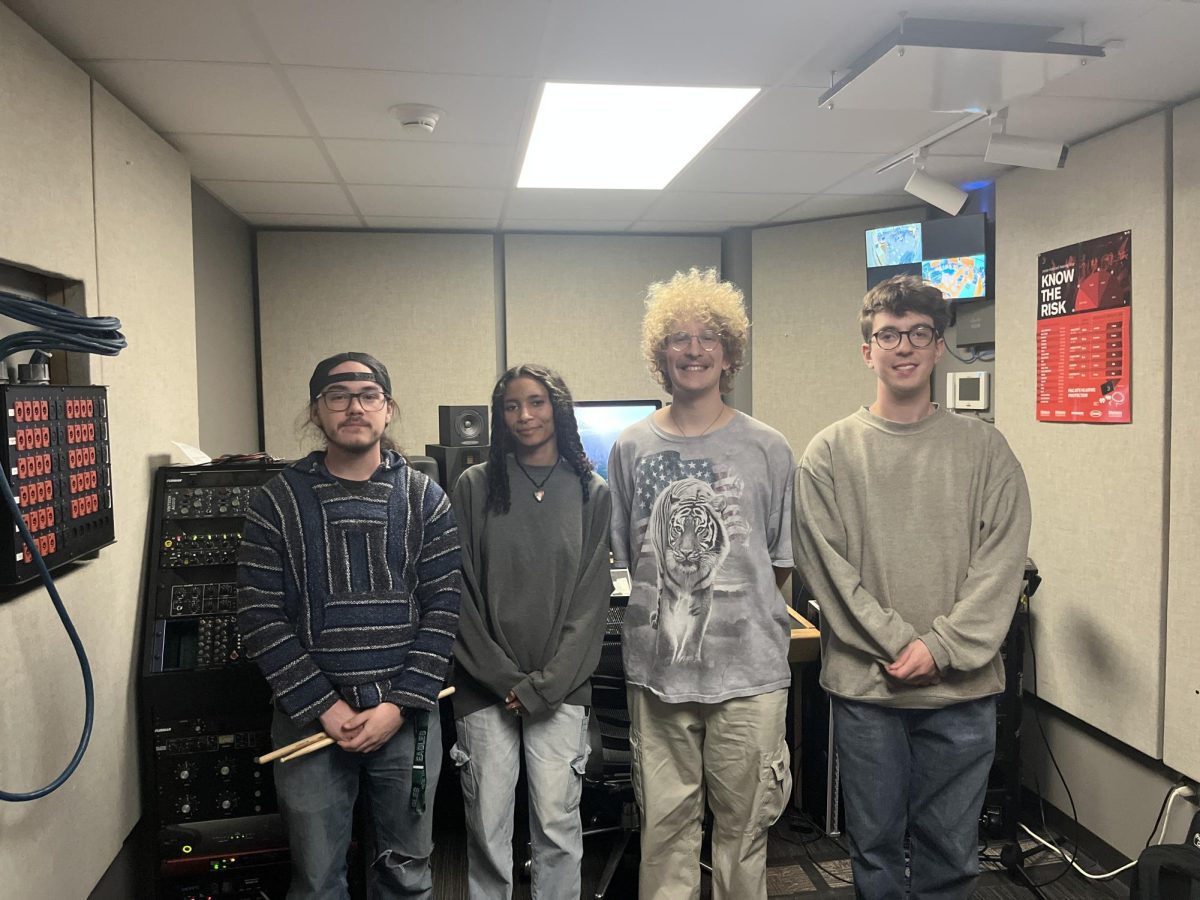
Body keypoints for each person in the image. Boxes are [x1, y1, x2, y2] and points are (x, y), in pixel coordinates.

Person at [793, 274, 1032, 900]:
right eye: (888, 335)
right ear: (867, 350)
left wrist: (943, 647)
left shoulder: (986, 451)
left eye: (918, 333)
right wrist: (903, 644)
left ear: (938, 346)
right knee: (873, 852)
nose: (904, 347)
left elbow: (1000, 564)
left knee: (952, 854)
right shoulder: (829, 454)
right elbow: (827, 572)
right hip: (869, 691)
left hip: (962, 692)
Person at [236, 352, 462, 900]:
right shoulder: (275, 502)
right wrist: (326, 706)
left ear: (388, 410)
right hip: (310, 724)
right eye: (338, 396)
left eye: (368, 396)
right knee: (316, 881)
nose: (354, 407)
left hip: (405, 722)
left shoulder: (426, 499)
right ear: (317, 411)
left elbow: (445, 610)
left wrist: (396, 707)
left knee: (407, 875)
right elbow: (258, 617)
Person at [608, 268, 795, 900]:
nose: (694, 350)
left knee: (744, 834)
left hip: (750, 675)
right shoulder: (631, 447)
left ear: (730, 352)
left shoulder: (769, 447)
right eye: (679, 338)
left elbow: (779, 564)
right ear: (660, 353)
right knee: (663, 832)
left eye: (709, 337)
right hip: (659, 674)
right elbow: (630, 557)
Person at [449, 363, 612, 900]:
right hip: (485, 689)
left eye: (537, 402)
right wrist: (505, 681)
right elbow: (460, 593)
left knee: (558, 828)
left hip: (560, 690)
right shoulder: (475, 486)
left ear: (558, 408)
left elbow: (591, 601)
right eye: (511, 406)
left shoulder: (592, 491)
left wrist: (543, 685)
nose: (524, 415)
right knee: (487, 829)